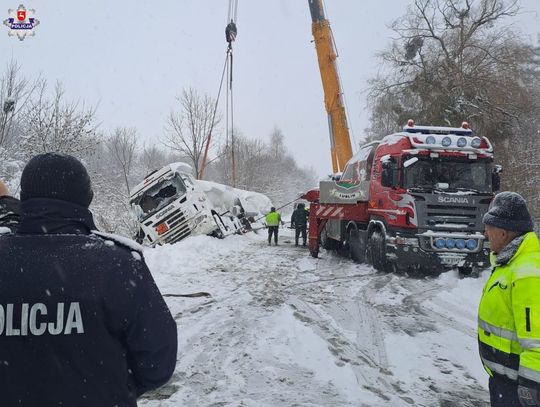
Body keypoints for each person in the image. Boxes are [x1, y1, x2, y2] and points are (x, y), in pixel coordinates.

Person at [0, 153, 178, 407]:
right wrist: (110, 387)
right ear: (87, 199)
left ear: (25, 197)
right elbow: (157, 362)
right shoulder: (117, 264)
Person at [478, 191, 540, 407]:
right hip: (505, 380)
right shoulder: (510, 263)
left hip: (520, 389)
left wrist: (531, 386)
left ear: (504, 232)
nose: (486, 233)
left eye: (489, 227)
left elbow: (537, 338)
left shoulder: (527, 272)